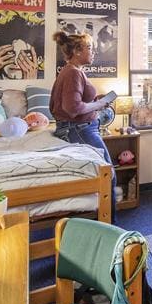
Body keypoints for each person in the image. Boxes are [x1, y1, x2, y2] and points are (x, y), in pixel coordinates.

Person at [50, 31, 118, 220]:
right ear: (77, 51)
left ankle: (102, 222)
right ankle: (110, 227)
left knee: (105, 175)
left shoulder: (73, 71)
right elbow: (72, 108)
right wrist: (98, 104)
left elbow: (75, 102)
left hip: (80, 126)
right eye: (89, 48)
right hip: (79, 128)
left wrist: (95, 101)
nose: (93, 52)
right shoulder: (72, 73)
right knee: (109, 175)